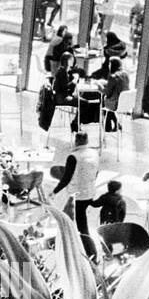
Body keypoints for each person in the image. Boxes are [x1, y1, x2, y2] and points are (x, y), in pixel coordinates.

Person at [52, 131, 99, 259]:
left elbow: (66, 178)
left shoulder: (73, 157)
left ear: (76, 141)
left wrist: (54, 191)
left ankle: (91, 253)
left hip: (77, 195)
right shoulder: (95, 154)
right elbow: (96, 172)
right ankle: (82, 249)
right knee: (79, 220)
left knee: (81, 225)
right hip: (89, 193)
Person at [102, 56, 127, 132]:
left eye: (110, 64)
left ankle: (108, 127)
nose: (109, 66)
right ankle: (115, 123)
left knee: (103, 101)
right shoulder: (125, 74)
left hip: (115, 104)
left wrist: (99, 85)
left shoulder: (113, 77)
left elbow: (107, 92)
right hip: (125, 103)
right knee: (107, 103)